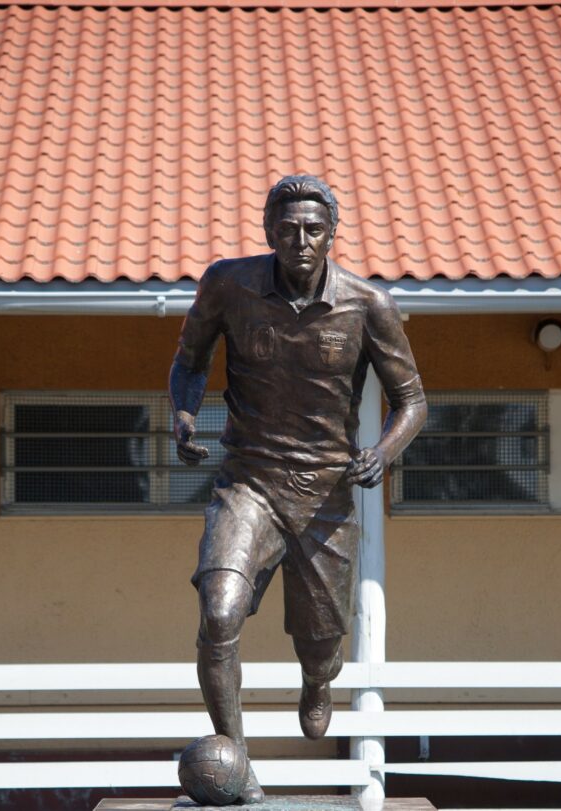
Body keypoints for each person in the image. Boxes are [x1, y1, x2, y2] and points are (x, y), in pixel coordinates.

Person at [169, 175, 426, 804]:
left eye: (313, 229)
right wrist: (183, 411)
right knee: (219, 609)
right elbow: (190, 360)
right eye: (288, 229)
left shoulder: (368, 305)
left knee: (320, 649)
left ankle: (318, 678)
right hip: (248, 480)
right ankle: (238, 763)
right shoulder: (228, 285)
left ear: (332, 233)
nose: (301, 241)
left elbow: (413, 401)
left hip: (325, 495)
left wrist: (382, 453)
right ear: (269, 232)